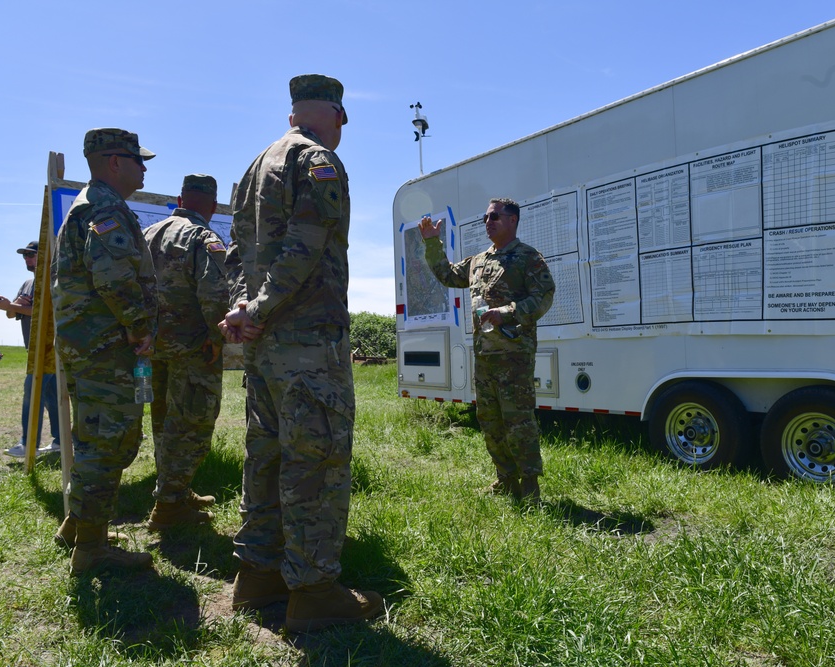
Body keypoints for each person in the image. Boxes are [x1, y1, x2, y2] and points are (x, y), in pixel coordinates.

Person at [222, 74, 384, 631]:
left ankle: (258, 576)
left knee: (266, 458)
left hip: (265, 350)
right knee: (316, 462)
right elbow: (306, 246)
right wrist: (261, 307)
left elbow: (234, 254)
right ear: (336, 113)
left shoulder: (255, 167)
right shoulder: (319, 162)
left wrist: (244, 308)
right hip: (308, 344)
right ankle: (314, 593)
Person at [51, 127, 157, 575]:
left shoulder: (94, 204)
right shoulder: (104, 206)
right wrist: (138, 328)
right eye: (137, 159)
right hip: (106, 346)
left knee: (96, 436)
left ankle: (78, 527)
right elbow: (112, 277)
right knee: (110, 440)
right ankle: (92, 549)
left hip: (91, 343)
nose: (144, 167)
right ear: (114, 162)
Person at [419, 198, 555, 504]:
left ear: (512, 221)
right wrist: (432, 243)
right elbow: (448, 274)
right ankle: (506, 478)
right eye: (485, 217)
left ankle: (530, 486)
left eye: (494, 216)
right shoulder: (478, 261)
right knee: (490, 419)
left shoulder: (527, 258)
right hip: (485, 354)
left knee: (518, 420)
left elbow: (544, 296)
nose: (488, 221)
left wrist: (507, 311)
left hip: (514, 353)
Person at [142, 174, 227, 530]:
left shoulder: (148, 233)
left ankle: (174, 490)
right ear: (212, 205)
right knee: (192, 422)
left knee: (163, 420)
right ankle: (169, 507)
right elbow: (214, 293)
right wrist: (216, 334)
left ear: (179, 198)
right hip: (193, 347)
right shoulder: (203, 236)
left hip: (153, 346)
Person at [0, 240, 60, 457]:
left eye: (31, 254)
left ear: (44, 256)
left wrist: (13, 306)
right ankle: (60, 441)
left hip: (48, 348)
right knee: (50, 397)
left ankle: (27, 444)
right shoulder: (27, 284)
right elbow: (12, 314)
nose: (26, 259)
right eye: (24, 256)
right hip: (33, 348)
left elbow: (45, 312)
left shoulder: (52, 279)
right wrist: (9, 306)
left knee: (32, 393)